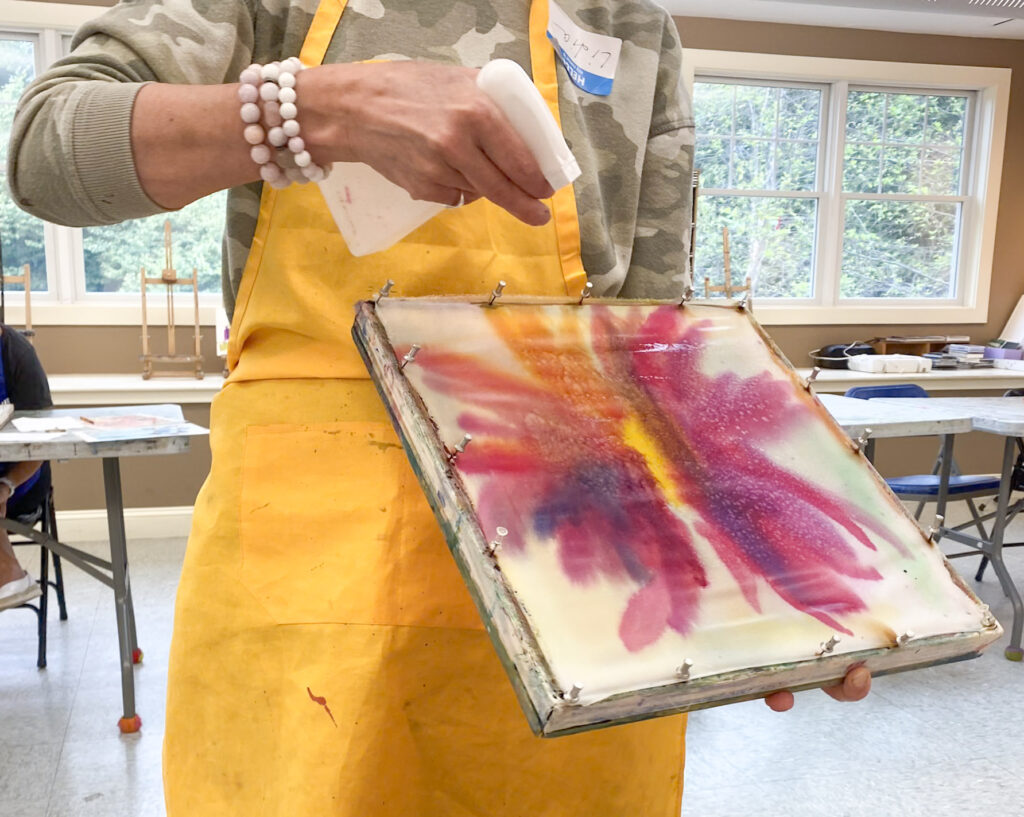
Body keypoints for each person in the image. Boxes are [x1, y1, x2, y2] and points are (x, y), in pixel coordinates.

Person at [8, 1, 870, 814]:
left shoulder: (629, 22)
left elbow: (651, 354)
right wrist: (321, 109)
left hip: (584, 585)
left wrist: (779, 587)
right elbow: (47, 149)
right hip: (314, 580)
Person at [0, 325, 52, 611]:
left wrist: (7, 485)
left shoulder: (17, 355)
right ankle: (11, 577)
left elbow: (42, 443)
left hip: (21, 481)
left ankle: (10, 574)